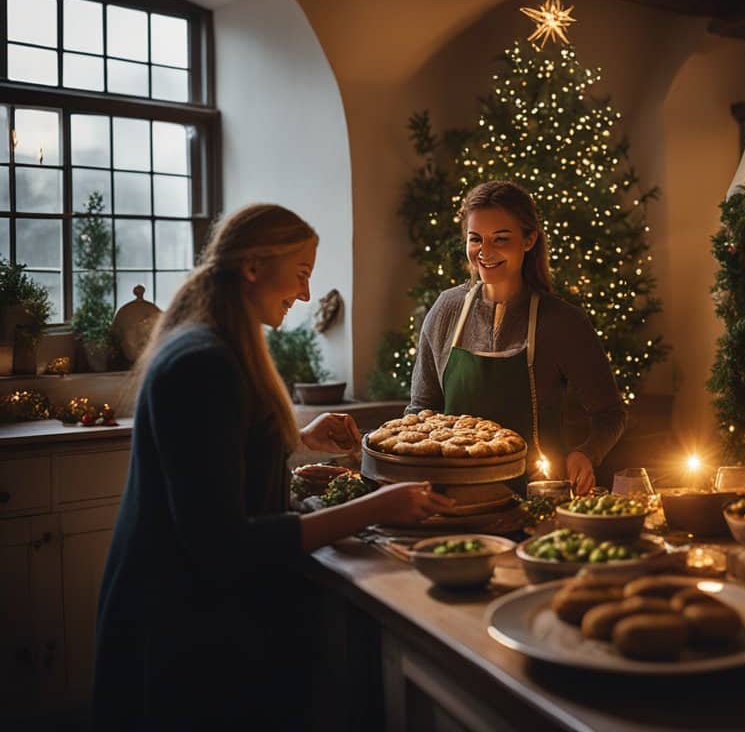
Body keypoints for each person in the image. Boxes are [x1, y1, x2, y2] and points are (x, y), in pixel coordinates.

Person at [92, 204, 452, 730]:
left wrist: (292, 439)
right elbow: (222, 544)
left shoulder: (217, 345)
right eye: (302, 273)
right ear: (254, 266)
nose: (306, 294)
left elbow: (215, 456)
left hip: (190, 620)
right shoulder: (204, 362)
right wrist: (378, 506)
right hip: (180, 633)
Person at [409, 180, 626, 494]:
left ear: (529, 239)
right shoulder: (446, 310)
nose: (485, 252)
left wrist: (586, 453)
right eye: (475, 239)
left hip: (537, 494)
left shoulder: (563, 322)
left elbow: (611, 414)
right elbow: (420, 408)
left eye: (500, 239)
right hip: (451, 497)